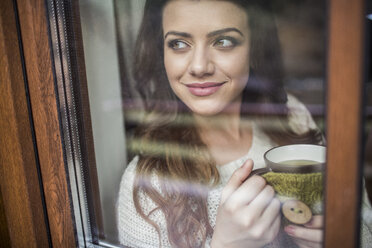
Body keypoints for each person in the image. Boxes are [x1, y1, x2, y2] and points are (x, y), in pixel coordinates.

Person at [116, 0, 372, 247]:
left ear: (254, 49)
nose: (199, 66)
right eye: (179, 43)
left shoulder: (291, 115)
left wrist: (342, 235)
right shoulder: (145, 185)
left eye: (224, 41)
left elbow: (363, 221)